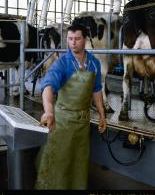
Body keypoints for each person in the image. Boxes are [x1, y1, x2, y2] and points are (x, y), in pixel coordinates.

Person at [35, 24, 107, 190]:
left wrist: (102, 115)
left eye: (77, 39)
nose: (73, 43)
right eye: (70, 39)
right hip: (62, 122)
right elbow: (48, 87)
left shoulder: (94, 63)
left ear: (85, 40)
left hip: (83, 123)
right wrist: (49, 112)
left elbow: (96, 90)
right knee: (58, 164)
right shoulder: (62, 63)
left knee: (78, 164)